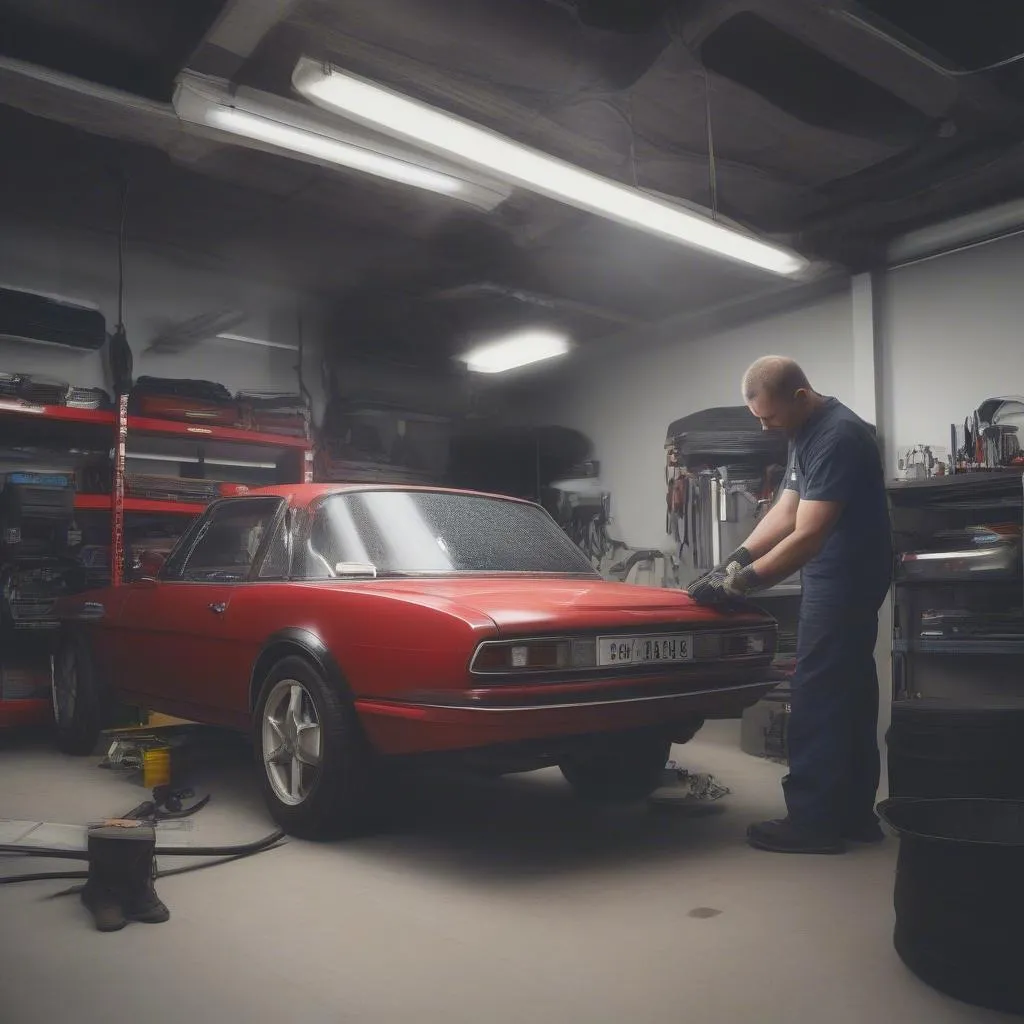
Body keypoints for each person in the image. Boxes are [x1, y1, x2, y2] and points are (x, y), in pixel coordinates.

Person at [687, 356, 893, 854]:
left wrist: (740, 585)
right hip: (841, 572)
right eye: (756, 417)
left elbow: (808, 535)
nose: (763, 426)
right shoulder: (805, 430)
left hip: (845, 576)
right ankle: (852, 816)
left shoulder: (839, 435)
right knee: (850, 691)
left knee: (818, 691)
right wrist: (734, 558)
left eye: (769, 416)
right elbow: (785, 508)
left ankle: (813, 822)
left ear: (800, 396)